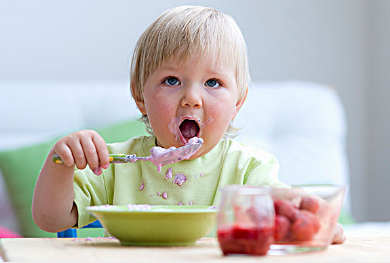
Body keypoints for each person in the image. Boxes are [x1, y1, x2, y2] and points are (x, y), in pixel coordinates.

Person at [31, 5, 345, 244]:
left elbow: (289, 214)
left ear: (238, 102)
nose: (192, 98)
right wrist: (62, 163)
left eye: (213, 82)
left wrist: (318, 220)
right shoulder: (114, 165)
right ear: (139, 96)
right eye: (172, 80)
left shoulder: (248, 170)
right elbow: (50, 219)